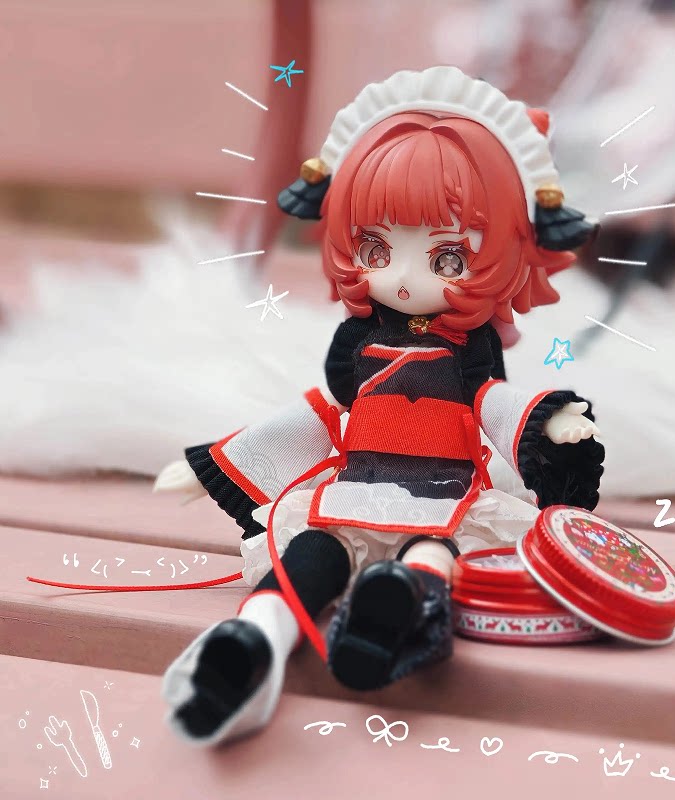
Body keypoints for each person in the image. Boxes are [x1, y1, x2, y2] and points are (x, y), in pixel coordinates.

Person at [155, 66, 604, 746]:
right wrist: (216, 463)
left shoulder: (469, 354)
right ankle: (256, 634)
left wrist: (550, 420)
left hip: (443, 493)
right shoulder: (356, 347)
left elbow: (494, 402)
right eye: (375, 248)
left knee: (433, 549)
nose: (402, 275)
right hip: (354, 491)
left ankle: (393, 611)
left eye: (447, 257)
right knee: (313, 550)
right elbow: (319, 412)